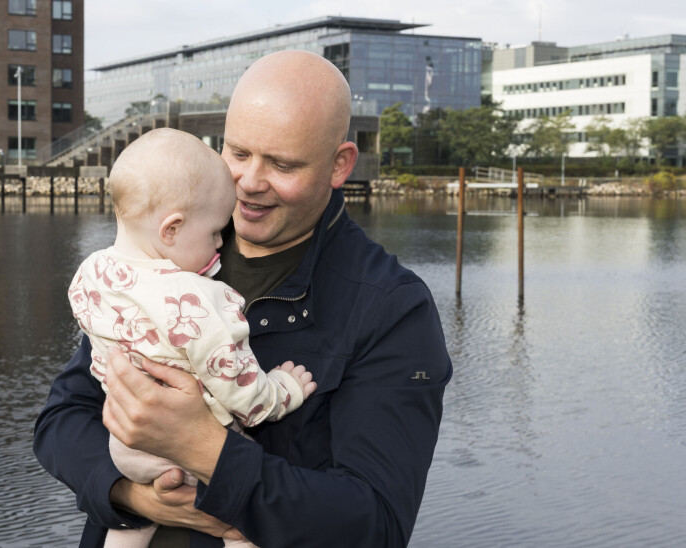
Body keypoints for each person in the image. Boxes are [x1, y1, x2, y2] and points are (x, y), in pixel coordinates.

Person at [34, 50, 452, 548]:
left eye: (282, 164)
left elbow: (375, 524)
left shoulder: (391, 308)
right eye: (237, 153)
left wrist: (206, 449)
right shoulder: (166, 257)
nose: (249, 184)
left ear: (340, 165)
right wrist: (134, 496)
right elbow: (61, 420)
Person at [66, 128, 316, 547]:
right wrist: (283, 391)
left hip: (124, 445)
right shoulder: (195, 299)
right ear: (172, 229)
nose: (221, 244)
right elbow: (241, 390)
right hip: (186, 448)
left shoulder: (91, 274)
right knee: (243, 524)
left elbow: (99, 351)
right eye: (215, 233)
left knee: (129, 526)